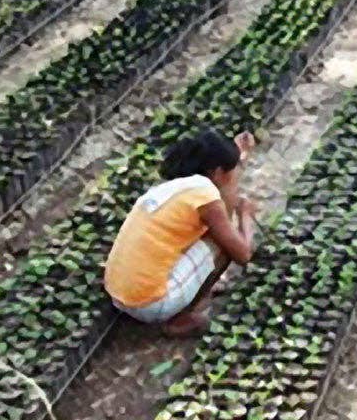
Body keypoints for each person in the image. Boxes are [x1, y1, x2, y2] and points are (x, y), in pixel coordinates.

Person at [104, 128, 258, 337]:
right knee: (221, 243)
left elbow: (225, 187)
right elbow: (243, 254)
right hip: (148, 305)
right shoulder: (206, 197)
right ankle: (181, 318)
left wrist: (237, 152)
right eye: (231, 170)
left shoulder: (178, 188)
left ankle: (185, 288)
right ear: (217, 172)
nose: (234, 176)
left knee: (204, 236)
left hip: (119, 294)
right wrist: (245, 217)